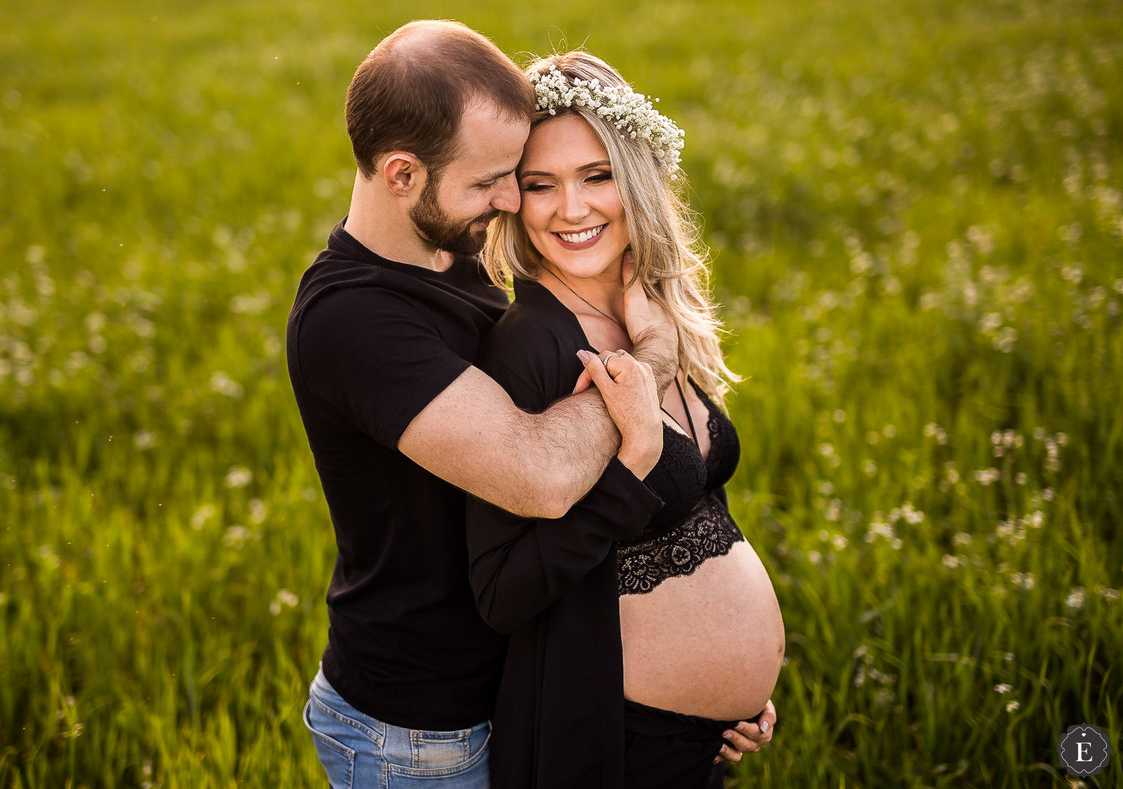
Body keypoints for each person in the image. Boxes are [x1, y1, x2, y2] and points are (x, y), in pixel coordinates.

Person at [286, 21, 685, 788]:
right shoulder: (353, 322)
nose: (510, 200)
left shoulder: (451, 253)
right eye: (488, 181)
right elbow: (538, 475)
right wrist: (649, 361)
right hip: (418, 733)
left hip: (511, 687)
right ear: (401, 174)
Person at [467, 51, 784, 788]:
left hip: (703, 742)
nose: (570, 210)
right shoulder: (530, 347)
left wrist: (738, 686)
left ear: (636, 176)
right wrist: (631, 468)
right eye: (539, 185)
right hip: (613, 743)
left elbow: (699, 494)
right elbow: (501, 591)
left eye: (596, 176)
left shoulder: (651, 308)